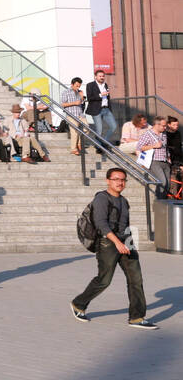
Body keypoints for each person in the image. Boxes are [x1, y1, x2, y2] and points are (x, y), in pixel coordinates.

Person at [71, 168, 156, 328]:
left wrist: (130, 243)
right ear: (108, 180)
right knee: (104, 280)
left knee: (136, 279)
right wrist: (117, 242)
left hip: (126, 241)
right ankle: (78, 303)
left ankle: (137, 317)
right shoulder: (101, 198)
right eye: (116, 179)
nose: (120, 182)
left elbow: (126, 225)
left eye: (123, 180)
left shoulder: (124, 201)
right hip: (107, 243)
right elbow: (101, 224)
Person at [136, 115, 170, 193]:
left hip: (165, 161)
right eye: (163, 126)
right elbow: (140, 147)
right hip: (154, 161)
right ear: (157, 125)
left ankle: (163, 203)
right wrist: (154, 146)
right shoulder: (147, 134)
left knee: (167, 185)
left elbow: (165, 146)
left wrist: (168, 157)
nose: (165, 128)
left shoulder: (163, 134)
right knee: (162, 182)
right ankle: (158, 203)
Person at [60, 77, 87, 155]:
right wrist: (74, 103)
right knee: (74, 131)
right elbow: (62, 104)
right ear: (72, 84)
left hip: (80, 114)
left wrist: (82, 97)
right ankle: (73, 149)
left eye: (79, 86)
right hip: (71, 114)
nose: (78, 87)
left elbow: (81, 103)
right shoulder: (66, 92)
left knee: (86, 128)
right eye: (76, 86)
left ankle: (79, 143)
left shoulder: (80, 92)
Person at [85, 70, 114, 141]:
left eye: (103, 76)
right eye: (100, 76)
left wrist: (110, 109)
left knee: (113, 126)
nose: (102, 77)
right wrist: (101, 95)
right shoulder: (90, 85)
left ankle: (105, 141)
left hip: (106, 109)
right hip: (96, 110)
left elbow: (107, 98)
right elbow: (90, 98)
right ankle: (99, 146)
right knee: (99, 129)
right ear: (95, 77)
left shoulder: (105, 85)